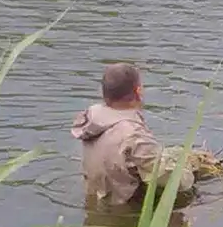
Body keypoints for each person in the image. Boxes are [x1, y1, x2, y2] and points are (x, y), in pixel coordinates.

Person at [71, 62, 195, 207]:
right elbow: (174, 182)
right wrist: (189, 170)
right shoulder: (134, 135)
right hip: (122, 212)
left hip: (94, 200)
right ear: (138, 91)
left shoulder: (92, 118)